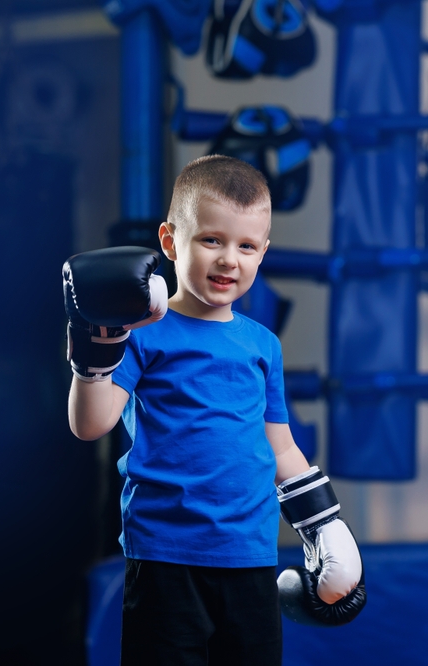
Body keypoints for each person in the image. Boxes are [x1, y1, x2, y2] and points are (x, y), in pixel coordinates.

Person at [63, 155, 365, 665]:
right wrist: (95, 346)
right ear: (169, 241)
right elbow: (91, 425)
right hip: (165, 554)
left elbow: (281, 446)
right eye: (211, 240)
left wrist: (326, 526)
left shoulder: (262, 345)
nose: (230, 259)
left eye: (246, 246)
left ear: (263, 253)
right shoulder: (140, 332)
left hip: (249, 551)